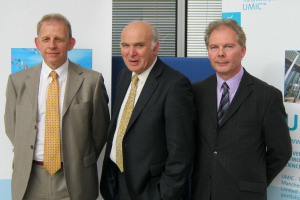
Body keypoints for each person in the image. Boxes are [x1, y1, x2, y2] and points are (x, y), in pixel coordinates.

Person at [4, 13, 110, 200]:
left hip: (75, 180)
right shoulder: (17, 81)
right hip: (30, 178)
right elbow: (12, 128)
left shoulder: (92, 81)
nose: (52, 45)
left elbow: (99, 132)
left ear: (71, 43)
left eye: (59, 39)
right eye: (46, 39)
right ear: (38, 44)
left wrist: (77, 157)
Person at [191, 19, 292, 200]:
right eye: (214, 47)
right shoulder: (196, 92)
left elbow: (281, 152)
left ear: (243, 50)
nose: (220, 54)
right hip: (203, 193)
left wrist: (254, 183)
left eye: (228, 46)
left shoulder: (267, 97)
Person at [100, 21, 195, 200]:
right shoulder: (124, 76)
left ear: (155, 47)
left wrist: (164, 195)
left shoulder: (175, 85)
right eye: (125, 45)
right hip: (119, 182)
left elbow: (181, 153)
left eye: (139, 45)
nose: (131, 53)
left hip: (151, 191)